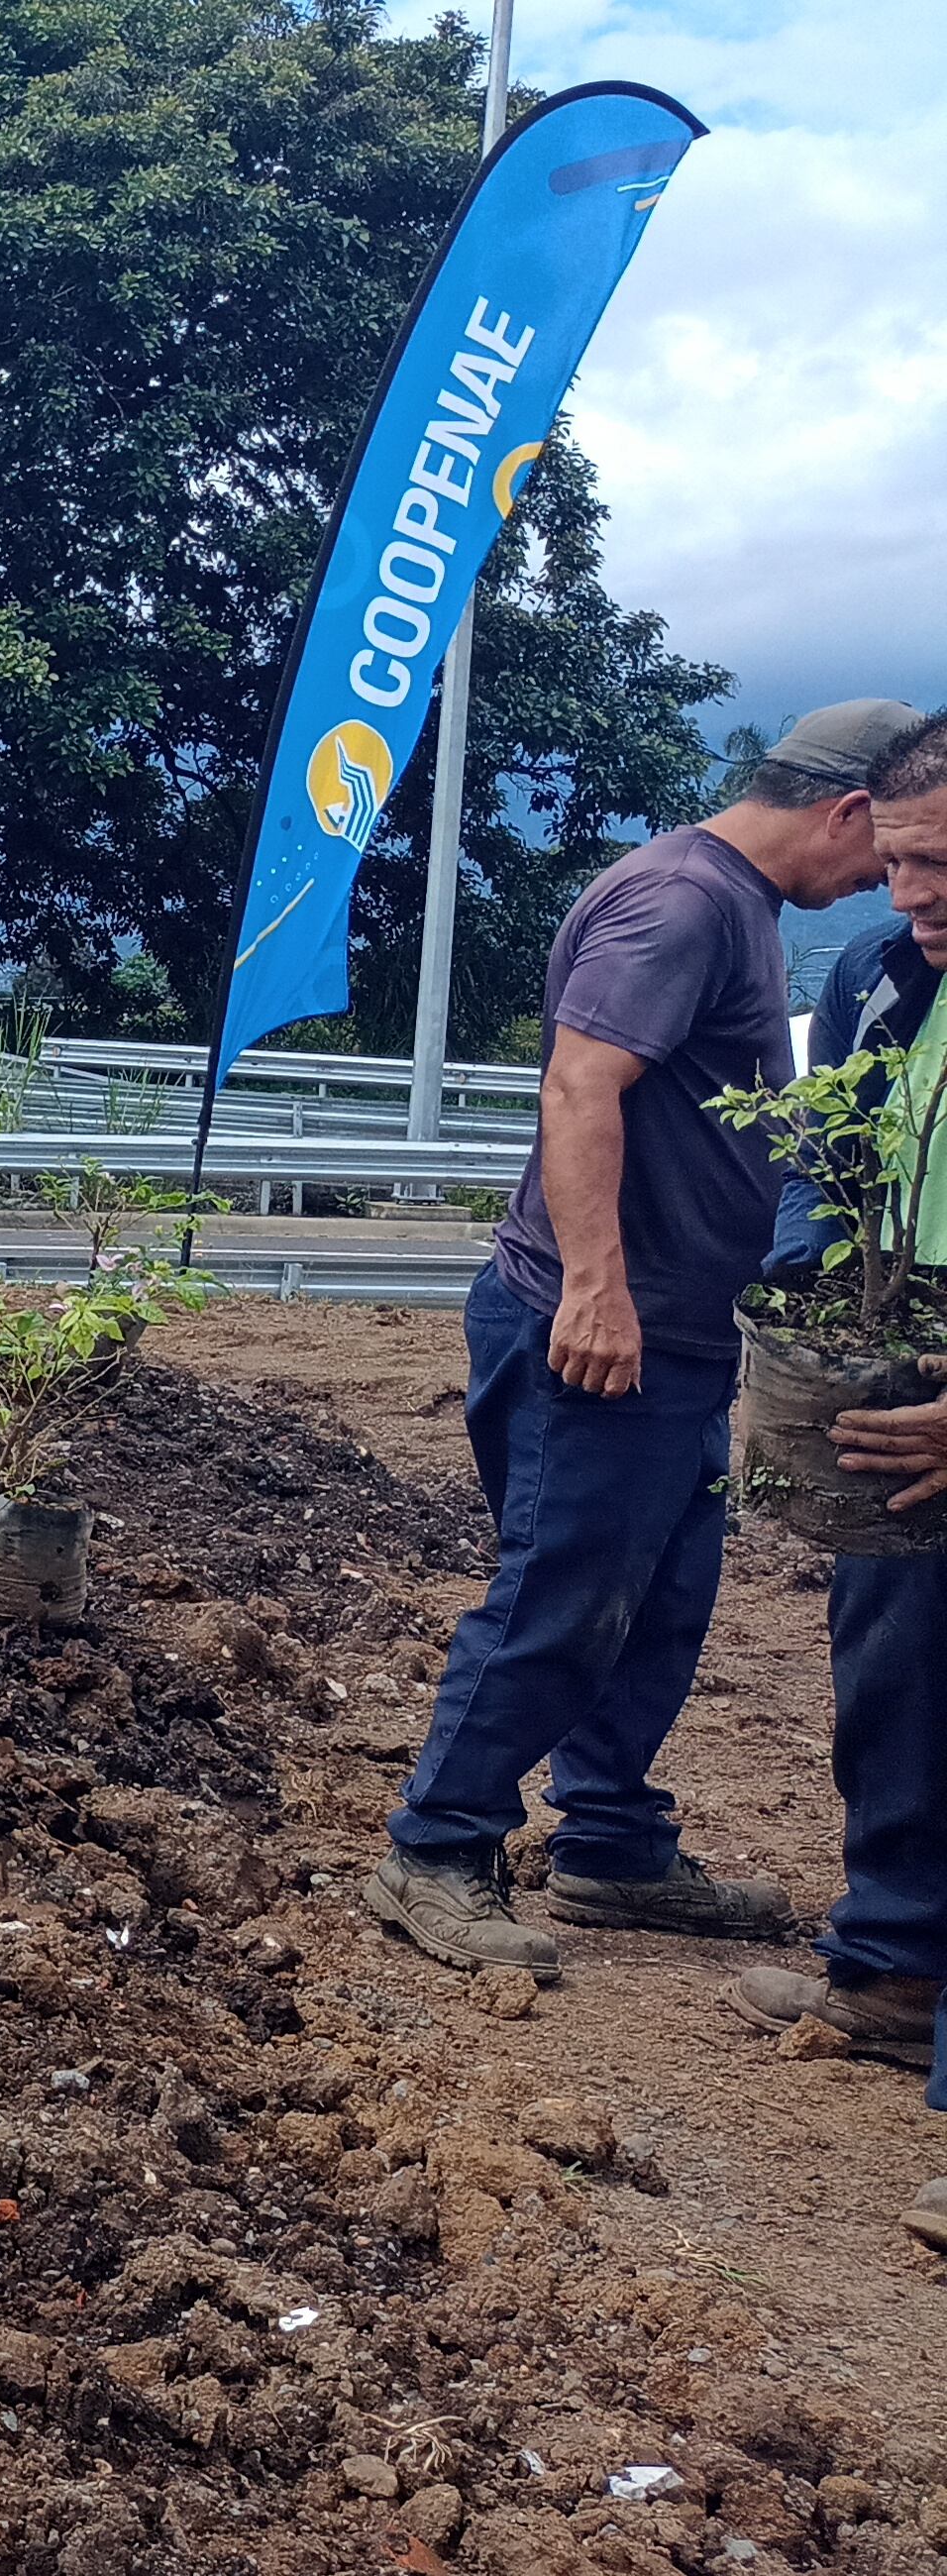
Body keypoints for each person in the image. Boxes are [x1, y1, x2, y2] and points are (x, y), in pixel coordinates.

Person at [365, 699, 910, 1981]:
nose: (881, 889)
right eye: (885, 858)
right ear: (845, 810)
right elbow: (578, 1083)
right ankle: (434, 1849)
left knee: (657, 1602)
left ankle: (611, 1843)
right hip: (597, 1332)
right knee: (562, 1591)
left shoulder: (738, 907)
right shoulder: (679, 902)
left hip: (671, 1336)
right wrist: (594, 1291)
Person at [721, 711, 947, 2130]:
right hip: (903, 1358)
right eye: (906, 862)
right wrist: (816, 1287)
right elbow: (823, 1161)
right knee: (893, 1673)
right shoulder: (877, 974)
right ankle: (893, 1971)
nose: (911, 895)